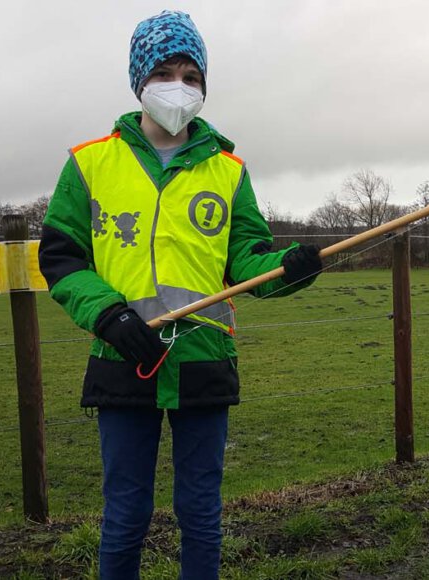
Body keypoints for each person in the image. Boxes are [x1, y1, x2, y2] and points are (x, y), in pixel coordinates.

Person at [38, 10, 322, 578]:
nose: (180, 86)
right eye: (166, 72)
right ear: (140, 81)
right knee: (124, 516)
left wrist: (288, 269)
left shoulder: (229, 170)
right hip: (123, 360)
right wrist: (109, 317)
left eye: (192, 75)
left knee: (201, 513)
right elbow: (61, 259)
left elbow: (245, 260)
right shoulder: (89, 164)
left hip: (204, 362)